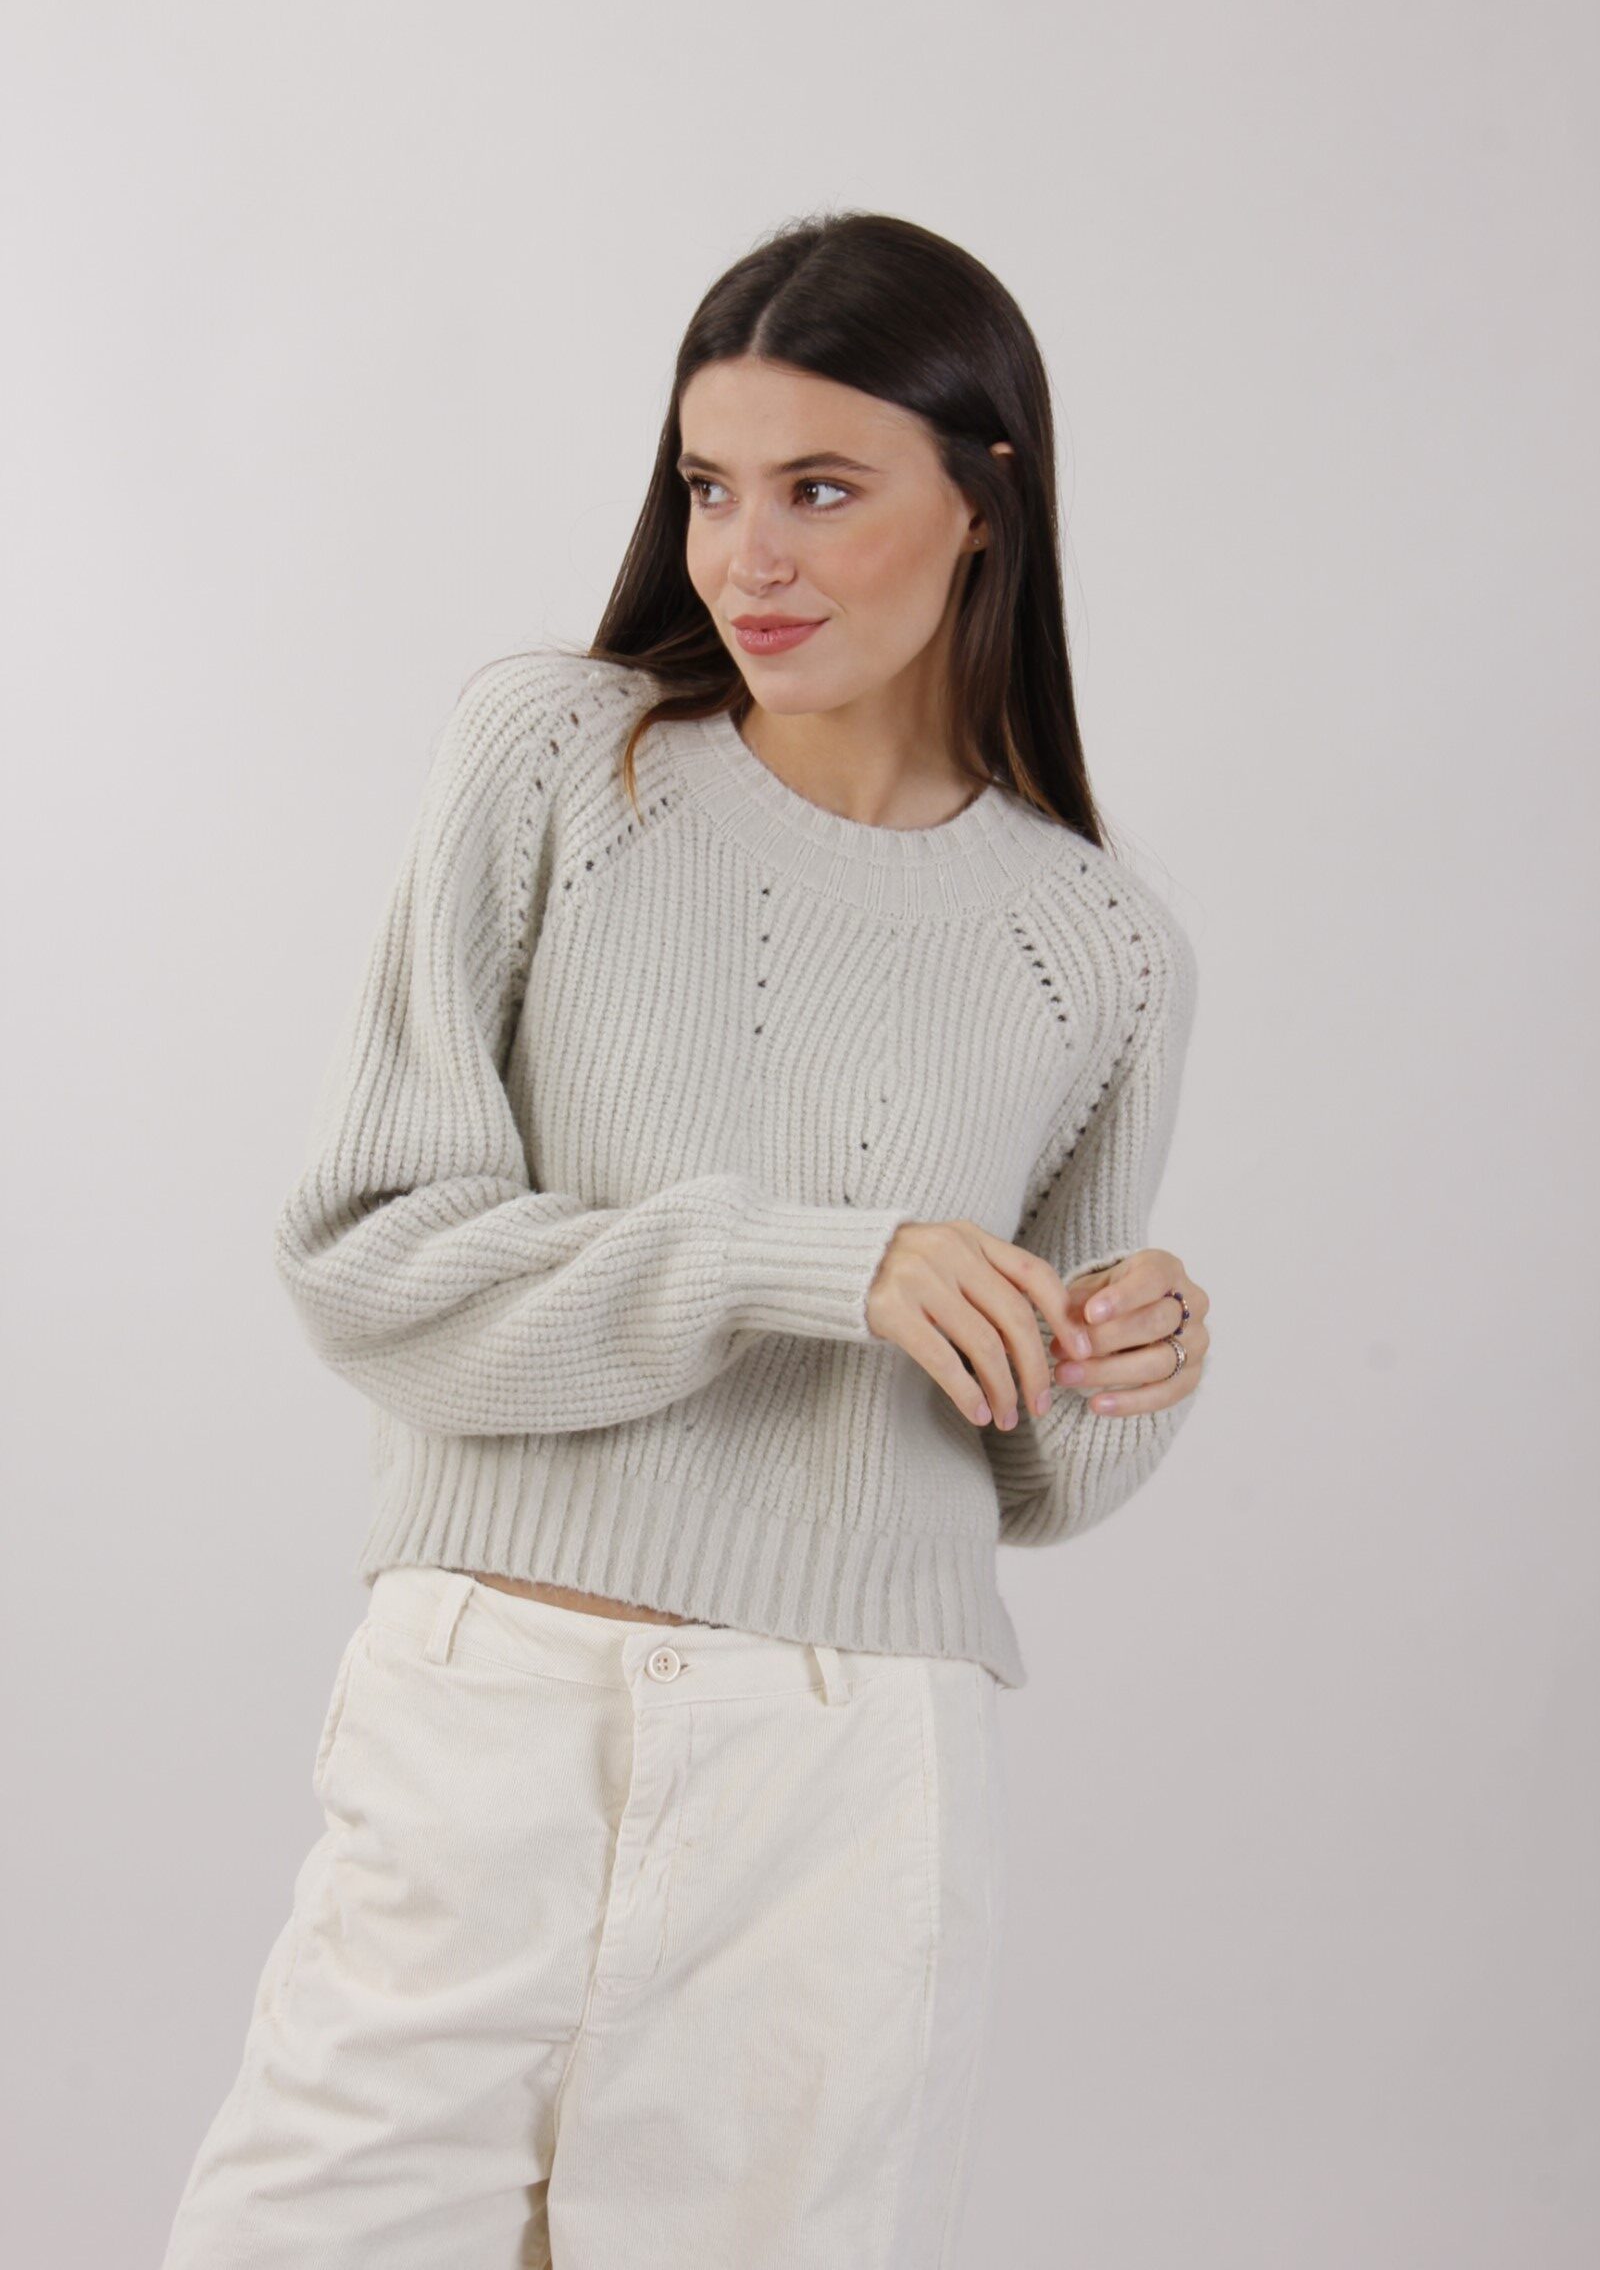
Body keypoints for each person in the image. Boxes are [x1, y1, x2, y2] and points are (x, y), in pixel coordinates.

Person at [160, 207, 1211, 2270]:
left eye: (820, 490)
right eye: (709, 488)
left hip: (846, 1768)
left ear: (982, 500)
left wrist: (1126, 1357)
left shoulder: (1101, 948)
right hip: (490, 1711)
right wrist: (805, 1262)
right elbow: (366, 1258)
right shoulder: (562, 757)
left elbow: (1032, 1482)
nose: (747, 559)